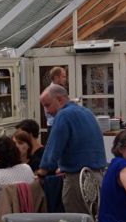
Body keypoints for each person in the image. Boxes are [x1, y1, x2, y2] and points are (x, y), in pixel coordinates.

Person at [35, 84, 106, 215]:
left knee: (78, 221)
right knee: (95, 220)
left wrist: (41, 173)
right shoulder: (87, 112)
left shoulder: (64, 115)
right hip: (98, 176)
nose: (47, 111)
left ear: (60, 99)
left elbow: (53, 148)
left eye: (47, 105)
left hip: (77, 180)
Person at [43, 66, 68, 139]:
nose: (65, 79)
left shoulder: (59, 89)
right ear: (56, 78)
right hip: (55, 126)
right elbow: (52, 111)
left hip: (58, 125)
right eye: (63, 77)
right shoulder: (51, 91)